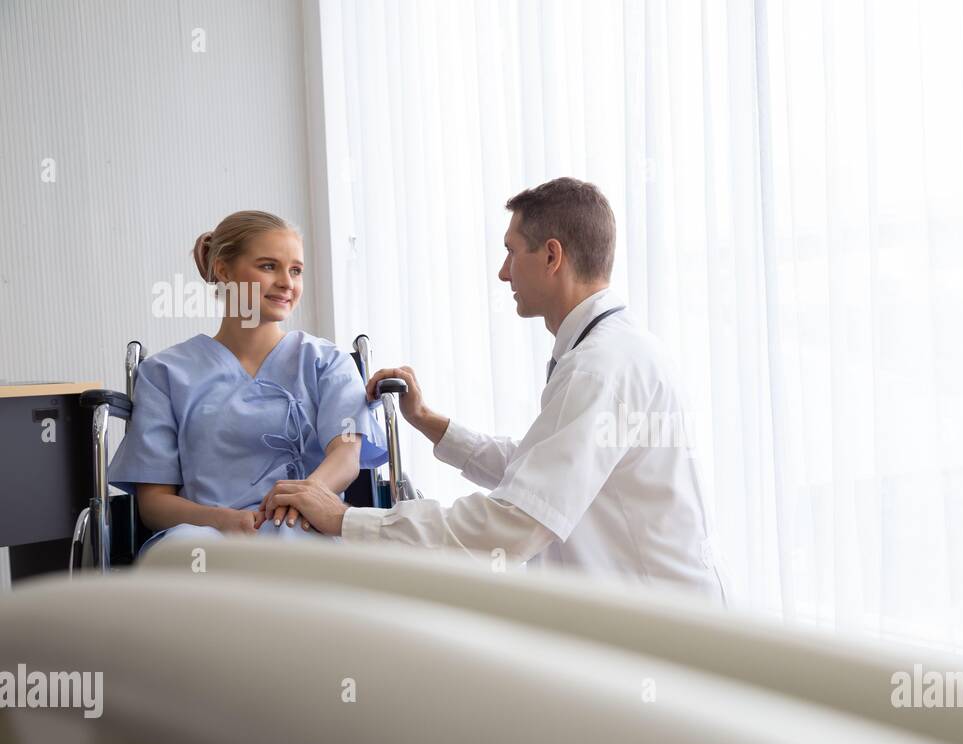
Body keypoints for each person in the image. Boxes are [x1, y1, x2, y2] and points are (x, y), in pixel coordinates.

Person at [267, 178, 727, 603]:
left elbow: (514, 523)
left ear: (552, 256)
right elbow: (540, 468)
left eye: (511, 252)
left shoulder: (598, 368)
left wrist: (349, 520)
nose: (503, 273)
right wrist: (428, 421)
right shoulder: (614, 350)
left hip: (654, 629)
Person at [108, 210, 387, 552]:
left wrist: (302, 497)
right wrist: (222, 521)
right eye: (269, 266)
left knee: (297, 549)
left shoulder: (327, 363)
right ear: (223, 270)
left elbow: (345, 455)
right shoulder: (165, 374)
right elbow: (154, 505)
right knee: (186, 555)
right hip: (204, 538)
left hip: (305, 526)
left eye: (296, 270)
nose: (287, 282)